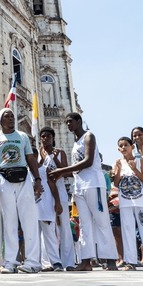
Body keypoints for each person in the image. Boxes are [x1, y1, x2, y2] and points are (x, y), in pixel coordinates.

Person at [49, 112, 118, 271]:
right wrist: (59, 173)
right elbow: (75, 170)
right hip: (79, 187)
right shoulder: (75, 142)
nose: (68, 125)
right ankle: (86, 260)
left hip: (93, 184)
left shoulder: (89, 136)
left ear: (79, 121)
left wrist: (61, 170)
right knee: (84, 224)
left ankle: (111, 259)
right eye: (66, 123)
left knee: (101, 222)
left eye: (70, 121)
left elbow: (87, 161)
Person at [0, 108, 43, 273]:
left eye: (12, 116)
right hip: (4, 178)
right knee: (9, 221)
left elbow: (31, 159)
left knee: (29, 220)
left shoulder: (23, 136)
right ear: (0, 120)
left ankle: (32, 262)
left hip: (23, 178)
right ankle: (10, 262)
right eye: (6, 116)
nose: (10, 118)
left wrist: (38, 180)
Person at [112, 137, 143, 270]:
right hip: (126, 202)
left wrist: (135, 170)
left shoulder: (139, 161)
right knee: (128, 231)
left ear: (132, 147)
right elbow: (116, 184)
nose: (123, 148)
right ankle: (130, 261)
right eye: (120, 146)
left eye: (126, 145)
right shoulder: (118, 163)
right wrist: (118, 171)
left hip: (141, 201)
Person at [39, 127, 75, 270]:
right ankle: (47, 262)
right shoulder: (38, 153)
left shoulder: (59, 153)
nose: (45, 138)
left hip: (59, 191)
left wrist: (53, 158)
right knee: (46, 227)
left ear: (53, 138)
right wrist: (42, 158)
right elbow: (38, 171)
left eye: (48, 136)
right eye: (43, 136)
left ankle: (69, 262)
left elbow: (66, 172)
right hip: (44, 194)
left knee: (64, 226)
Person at [34, 137, 64, 272]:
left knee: (49, 236)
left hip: (45, 207)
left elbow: (52, 186)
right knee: (34, 237)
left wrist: (57, 203)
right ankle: (39, 263)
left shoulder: (44, 170)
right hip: (33, 209)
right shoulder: (25, 172)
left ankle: (56, 262)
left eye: (33, 157)